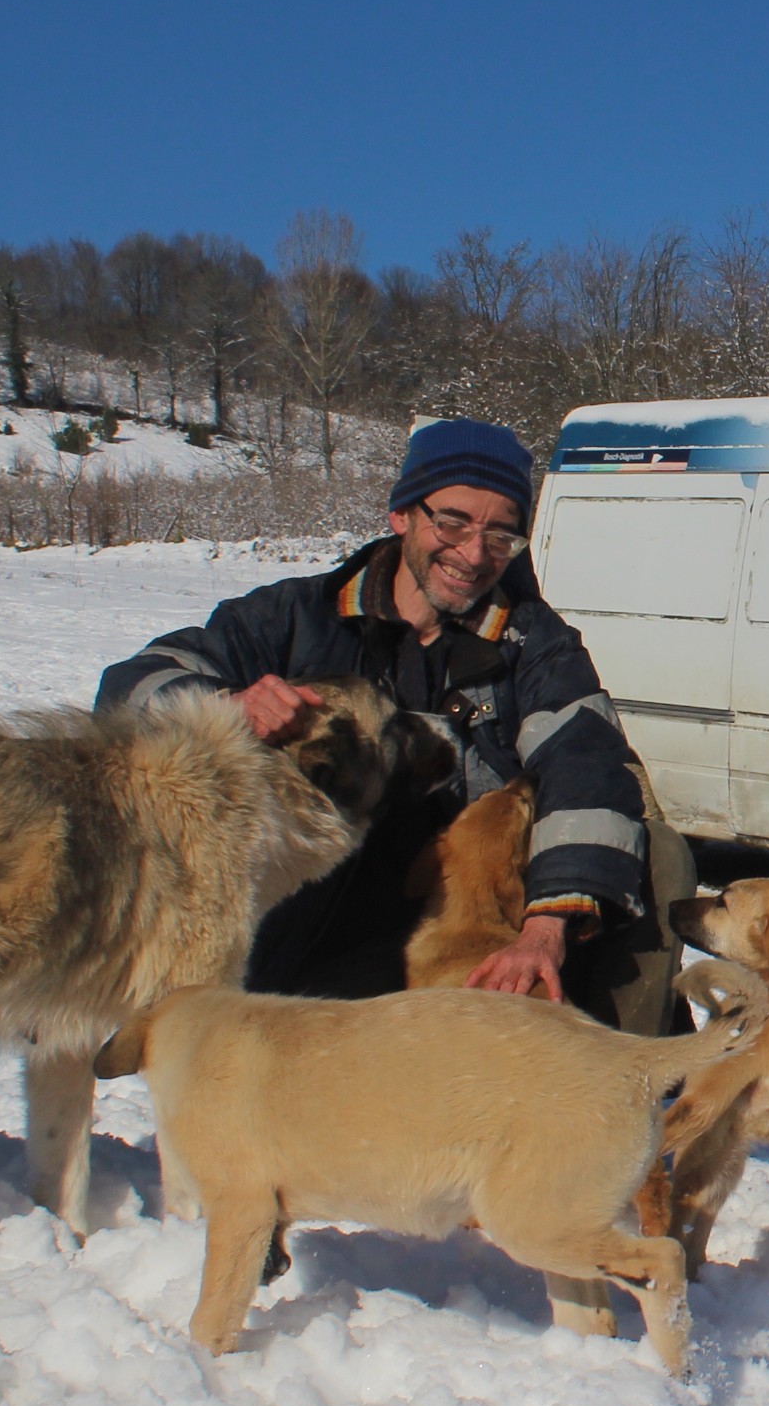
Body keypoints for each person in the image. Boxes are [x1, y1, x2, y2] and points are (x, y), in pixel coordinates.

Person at [97, 418, 651, 1005]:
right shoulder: (294, 617)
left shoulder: (534, 643)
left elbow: (585, 764)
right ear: (403, 514)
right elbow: (130, 686)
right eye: (453, 522)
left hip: (467, 925)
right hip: (314, 924)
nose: (472, 554)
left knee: (656, 863)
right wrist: (225, 706)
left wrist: (545, 928)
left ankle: (635, 1070)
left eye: (499, 535)